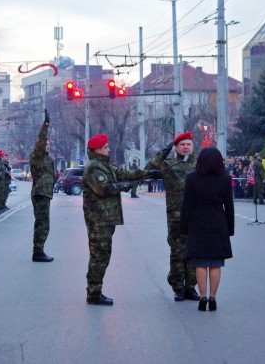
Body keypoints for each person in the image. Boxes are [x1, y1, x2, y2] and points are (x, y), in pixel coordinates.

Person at [82, 134, 156, 306]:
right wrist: (125, 186)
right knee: (99, 257)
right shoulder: (94, 167)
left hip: (106, 219)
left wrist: (147, 173)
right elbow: (104, 189)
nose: (108, 149)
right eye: (106, 147)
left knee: (103, 256)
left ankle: (95, 291)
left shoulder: (104, 165)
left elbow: (123, 173)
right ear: (97, 149)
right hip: (98, 220)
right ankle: (93, 293)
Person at [180, 147, 234, 312]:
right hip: (218, 221)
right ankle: (213, 297)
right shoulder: (225, 179)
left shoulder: (192, 179)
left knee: (200, 263)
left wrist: (184, 227)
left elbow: (187, 205)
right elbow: (229, 206)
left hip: (197, 222)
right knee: (216, 263)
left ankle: (202, 297)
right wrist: (230, 229)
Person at [145, 132, 197, 302]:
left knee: (193, 252)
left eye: (188, 144)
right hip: (175, 216)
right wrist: (164, 152)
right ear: (176, 148)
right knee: (177, 252)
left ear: (193, 146)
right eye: (182, 145)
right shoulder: (168, 165)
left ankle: (191, 287)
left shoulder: (199, 165)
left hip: (196, 216)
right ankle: (178, 287)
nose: (186, 147)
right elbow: (149, 170)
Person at [29, 109, 56, 262]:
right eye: (46, 144)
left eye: (49, 144)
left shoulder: (47, 159)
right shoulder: (37, 156)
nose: (49, 146)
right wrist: (45, 125)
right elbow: (41, 141)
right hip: (40, 193)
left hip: (45, 193)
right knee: (42, 224)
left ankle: (39, 250)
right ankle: (38, 252)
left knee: (44, 223)